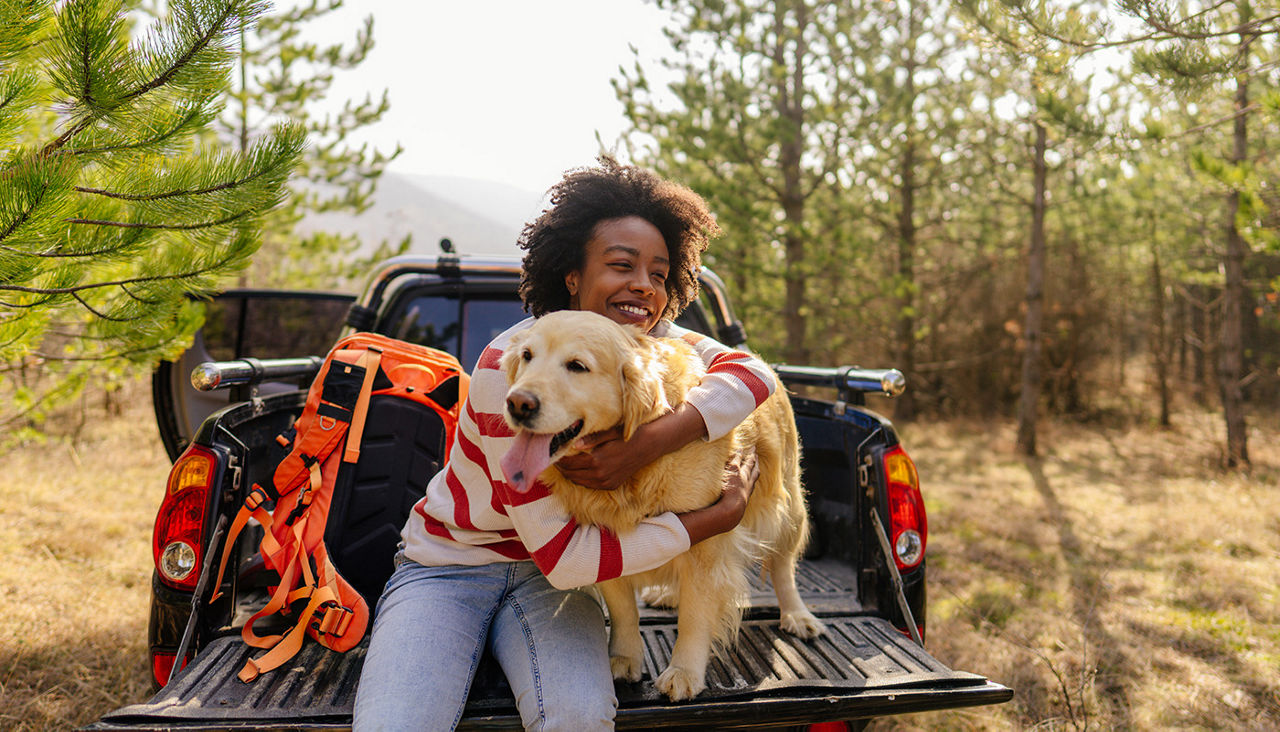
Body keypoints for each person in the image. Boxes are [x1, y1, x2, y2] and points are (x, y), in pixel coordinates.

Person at [352, 157, 776, 731]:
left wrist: (646, 444)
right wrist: (713, 518)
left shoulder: (650, 344)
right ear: (573, 277)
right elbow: (567, 556)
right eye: (621, 265)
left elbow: (754, 376)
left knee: (577, 718)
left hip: (553, 584)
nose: (641, 284)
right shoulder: (515, 366)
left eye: (659, 272)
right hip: (451, 565)